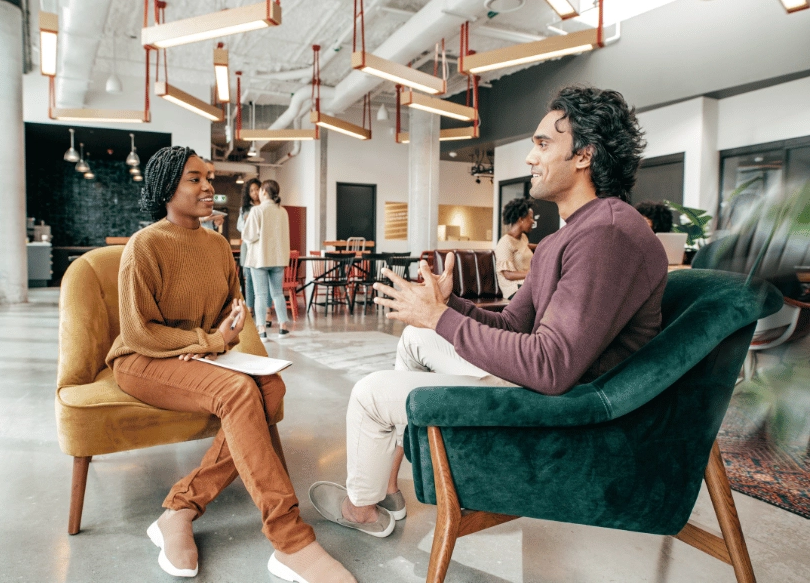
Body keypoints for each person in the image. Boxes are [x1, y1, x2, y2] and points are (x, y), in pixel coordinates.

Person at [308, 85, 668, 537]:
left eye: (542, 144)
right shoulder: (567, 236)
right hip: (539, 385)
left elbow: (551, 366)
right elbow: (513, 325)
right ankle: (387, 487)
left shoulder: (607, 235)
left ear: (584, 155)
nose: (530, 159)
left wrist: (441, 318)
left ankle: (362, 508)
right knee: (416, 338)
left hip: (562, 411)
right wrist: (446, 305)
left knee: (369, 392)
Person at [107, 147, 355, 582]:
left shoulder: (218, 245)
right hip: (140, 359)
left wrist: (221, 334)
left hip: (199, 354)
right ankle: (289, 539)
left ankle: (180, 508)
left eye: (209, 176)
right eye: (194, 179)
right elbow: (137, 332)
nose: (208, 187)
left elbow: (233, 309)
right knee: (238, 392)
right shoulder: (144, 246)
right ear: (166, 188)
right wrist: (202, 340)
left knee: (271, 388)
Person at [242, 179, 291, 340]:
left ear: (263, 192)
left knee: (260, 295)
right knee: (278, 293)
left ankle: (262, 329)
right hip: (278, 258)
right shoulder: (283, 211)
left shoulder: (257, 211)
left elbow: (248, 235)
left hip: (260, 259)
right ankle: (283, 326)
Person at [237, 178, 271, 326]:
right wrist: (246, 221)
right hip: (248, 246)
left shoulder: (267, 206)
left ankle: (267, 311)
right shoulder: (245, 208)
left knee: (266, 277)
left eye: (257, 189)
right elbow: (240, 227)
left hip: (263, 246)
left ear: (262, 189)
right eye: (251, 191)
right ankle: (249, 310)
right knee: (249, 277)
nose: (254, 193)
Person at [494, 198, 535, 298]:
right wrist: (534, 273)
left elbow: (523, 248)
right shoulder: (505, 243)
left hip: (528, 283)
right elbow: (508, 275)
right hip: (513, 288)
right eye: (530, 218)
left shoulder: (523, 238)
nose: (533, 221)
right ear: (521, 219)